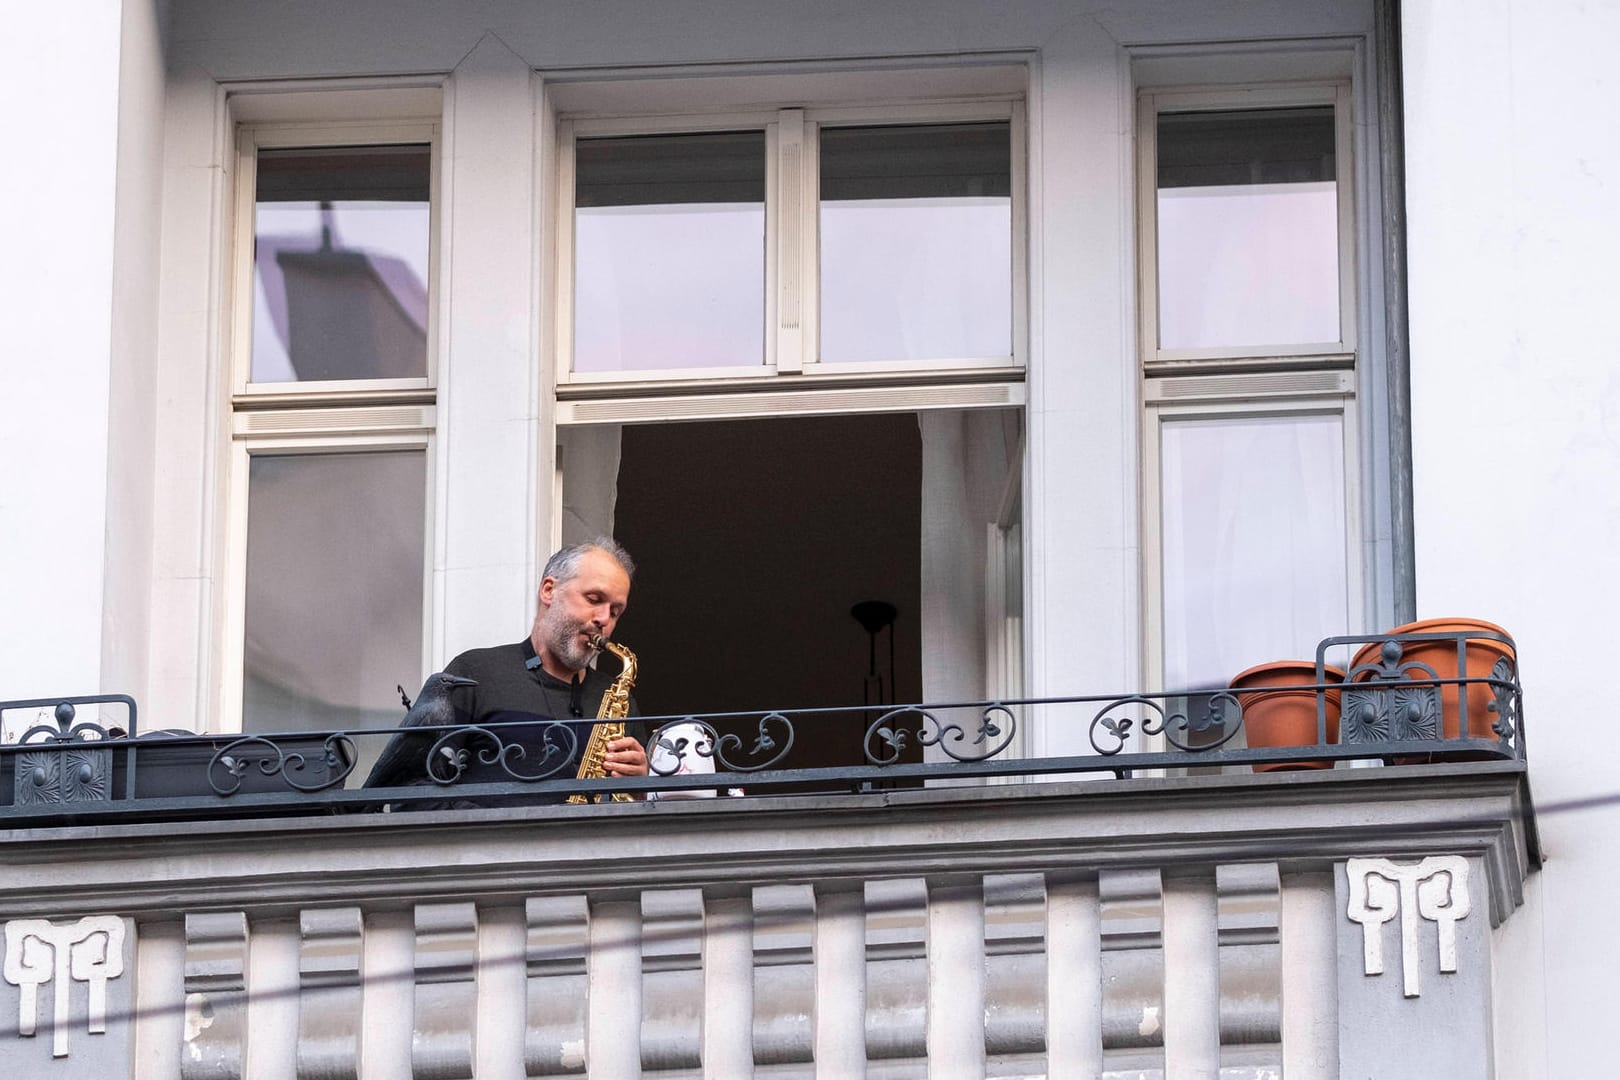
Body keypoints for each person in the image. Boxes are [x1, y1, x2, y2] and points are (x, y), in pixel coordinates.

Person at [364, 539, 649, 805]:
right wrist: (494, 829)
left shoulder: (619, 702)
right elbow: (410, 790)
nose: (603, 619)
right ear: (549, 590)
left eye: (615, 611)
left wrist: (640, 789)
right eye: (594, 598)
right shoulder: (475, 673)